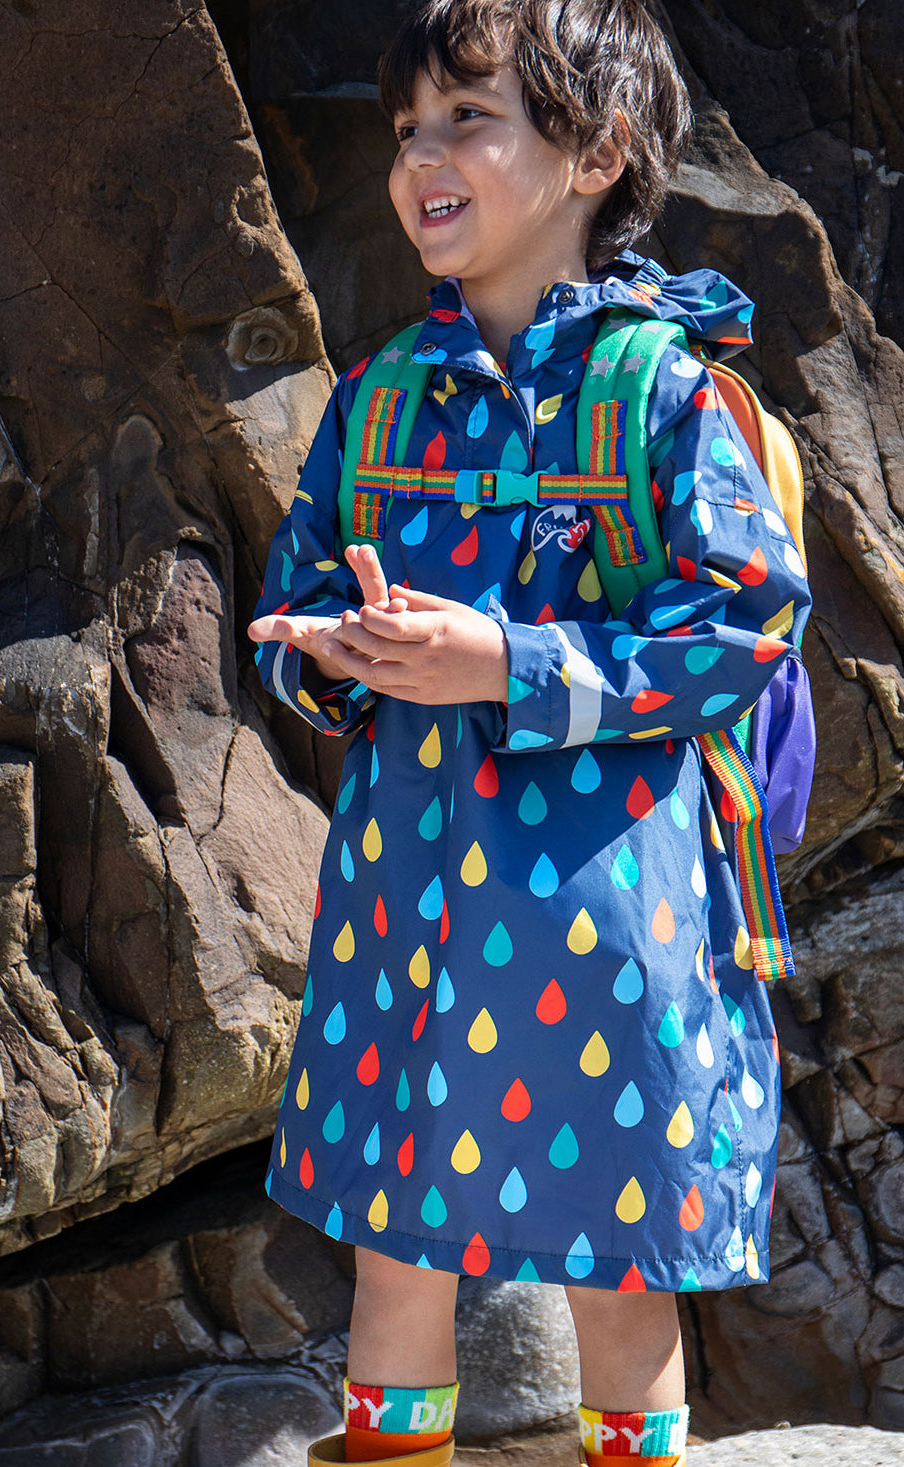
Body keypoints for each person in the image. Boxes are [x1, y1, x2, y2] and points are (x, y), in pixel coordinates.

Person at [247, 1, 812, 1464]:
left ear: (596, 154)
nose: (420, 158)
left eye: (467, 119)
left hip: (607, 921)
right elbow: (295, 612)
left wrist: (505, 661)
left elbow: (745, 628)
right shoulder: (379, 398)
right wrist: (333, 658)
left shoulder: (661, 389)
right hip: (403, 910)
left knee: (619, 1277)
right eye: (405, 130)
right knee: (394, 1254)